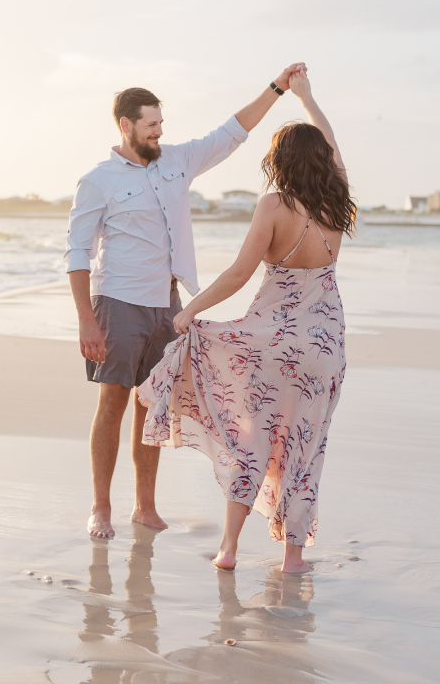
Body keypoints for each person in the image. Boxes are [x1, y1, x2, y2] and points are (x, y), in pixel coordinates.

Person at [66, 67, 304, 541]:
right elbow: (76, 253)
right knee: (112, 404)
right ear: (125, 126)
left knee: (151, 406)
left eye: (161, 123)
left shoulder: (178, 160)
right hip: (116, 302)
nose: (159, 131)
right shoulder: (98, 180)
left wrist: (276, 89)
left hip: (167, 305)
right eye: (150, 124)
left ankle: (145, 506)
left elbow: (233, 132)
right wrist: (86, 322)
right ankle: (100, 508)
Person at [143, 65, 349, 575]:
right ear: (322, 160)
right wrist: (307, 99)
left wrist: (191, 309)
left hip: (270, 343)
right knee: (305, 445)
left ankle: (230, 547)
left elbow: (239, 274)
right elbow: (332, 144)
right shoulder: (336, 199)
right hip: (324, 345)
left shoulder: (274, 205)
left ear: (278, 160)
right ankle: (293, 557)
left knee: (253, 439)